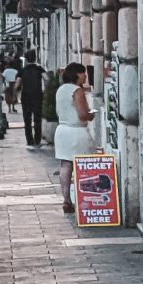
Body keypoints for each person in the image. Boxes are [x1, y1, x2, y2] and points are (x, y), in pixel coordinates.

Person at [54, 61, 93, 213]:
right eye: (83, 73)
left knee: (65, 166)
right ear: (77, 74)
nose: (85, 76)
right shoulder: (77, 91)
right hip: (76, 131)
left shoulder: (61, 89)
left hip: (62, 130)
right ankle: (85, 198)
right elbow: (83, 115)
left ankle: (66, 200)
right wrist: (91, 115)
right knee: (83, 165)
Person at [20, 49, 46, 147]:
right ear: (35, 58)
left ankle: (29, 140)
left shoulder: (23, 70)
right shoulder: (39, 69)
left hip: (25, 96)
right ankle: (37, 140)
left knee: (27, 119)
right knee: (37, 119)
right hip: (37, 96)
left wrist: (14, 92)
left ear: (26, 59)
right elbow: (46, 78)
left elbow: (18, 82)